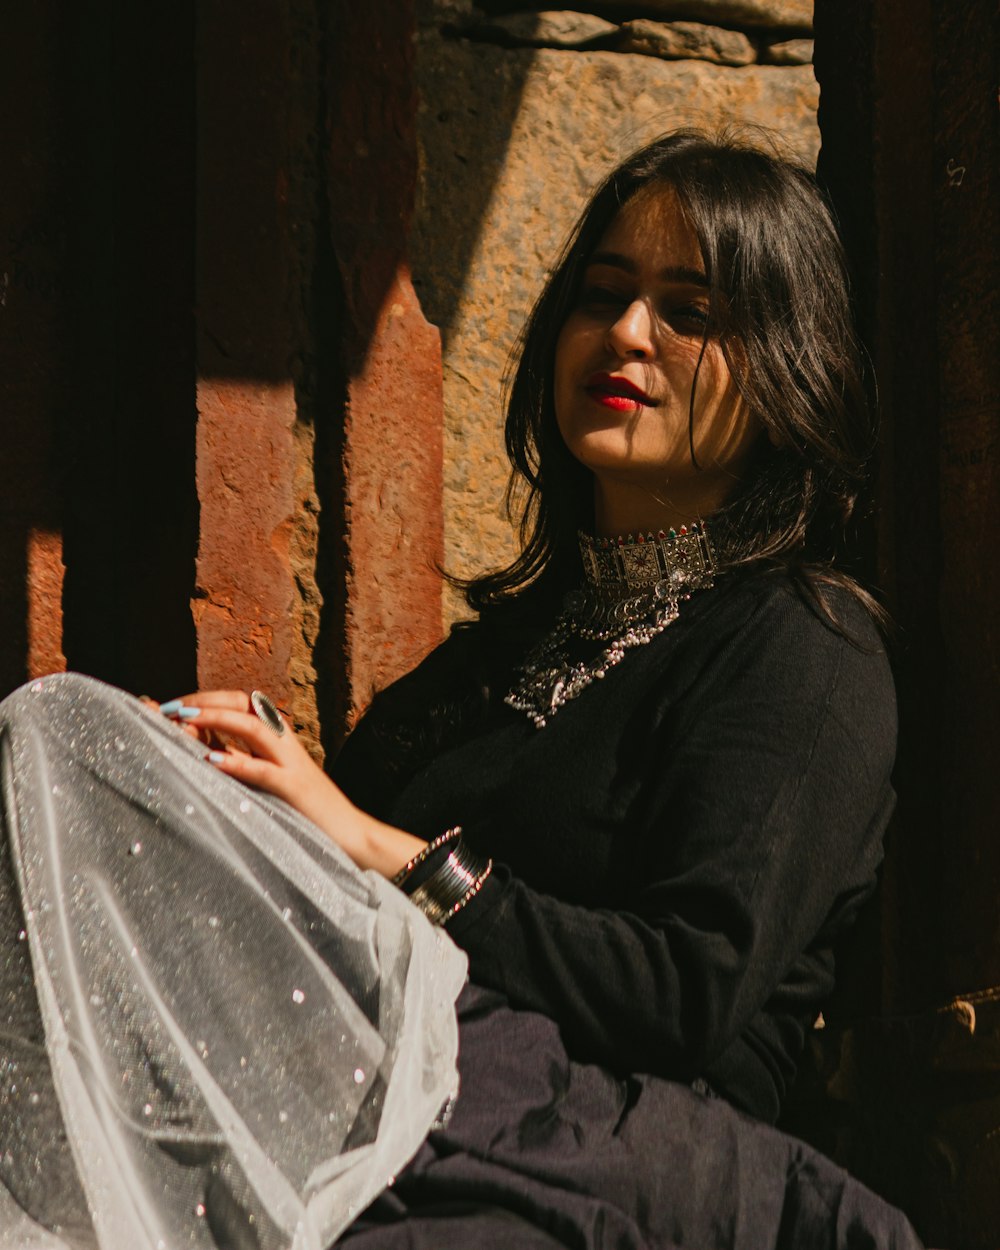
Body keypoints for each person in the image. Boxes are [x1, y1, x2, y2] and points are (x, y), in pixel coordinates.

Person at [0, 130, 924, 1249]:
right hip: (388, 1107)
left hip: (610, 1160)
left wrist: (387, 852)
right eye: (603, 293)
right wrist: (225, 792)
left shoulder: (802, 648)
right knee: (61, 743)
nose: (626, 333)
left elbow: (687, 995)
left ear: (788, 360)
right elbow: (312, 905)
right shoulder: (488, 664)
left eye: (690, 311)